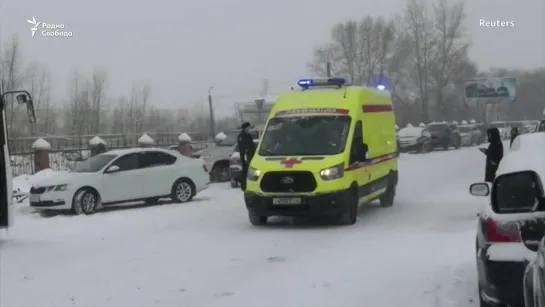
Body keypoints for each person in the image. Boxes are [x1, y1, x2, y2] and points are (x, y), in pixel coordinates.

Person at [237, 122, 256, 190]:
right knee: (245, 170)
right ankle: (244, 185)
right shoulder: (241, 136)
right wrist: (245, 154)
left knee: (250, 171)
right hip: (245, 156)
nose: (249, 129)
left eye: (249, 127)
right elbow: (242, 147)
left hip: (251, 156)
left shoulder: (249, 135)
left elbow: (252, 145)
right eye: (248, 127)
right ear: (245, 128)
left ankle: (250, 184)